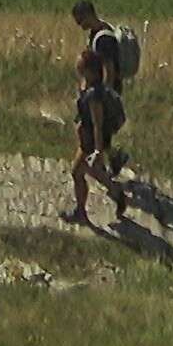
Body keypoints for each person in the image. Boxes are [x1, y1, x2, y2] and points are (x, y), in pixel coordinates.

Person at [68, 0, 141, 181]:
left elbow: (109, 70)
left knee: (98, 129)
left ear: (88, 15)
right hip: (98, 91)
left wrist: (104, 96)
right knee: (99, 130)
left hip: (102, 93)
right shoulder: (97, 33)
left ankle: (105, 161)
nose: (79, 25)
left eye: (80, 20)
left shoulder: (103, 39)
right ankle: (113, 158)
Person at [63, 41, 132, 229]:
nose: (77, 67)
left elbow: (97, 124)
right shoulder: (89, 87)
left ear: (90, 71)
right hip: (87, 139)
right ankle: (117, 194)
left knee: (77, 172)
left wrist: (98, 150)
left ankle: (81, 212)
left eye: (80, 65)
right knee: (93, 172)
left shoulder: (95, 95)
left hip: (91, 141)